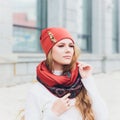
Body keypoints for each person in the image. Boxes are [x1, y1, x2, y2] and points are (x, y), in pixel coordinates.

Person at [24, 27, 108, 120]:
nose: (68, 50)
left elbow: (103, 116)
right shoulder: (37, 91)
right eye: (61, 46)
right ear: (49, 51)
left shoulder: (81, 81)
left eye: (71, 46)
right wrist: (53, 114)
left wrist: (88, 79)